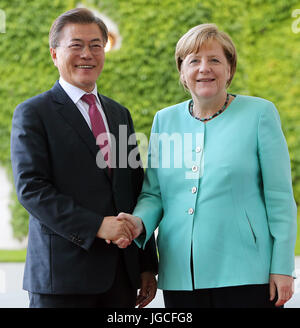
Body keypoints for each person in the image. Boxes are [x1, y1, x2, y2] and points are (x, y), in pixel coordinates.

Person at [114, 23, 297, 308]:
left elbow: (280, 199)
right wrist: (138, 223)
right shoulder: (166, 120)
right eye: (194, 61)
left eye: (214, 60)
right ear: (183, 72)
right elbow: (155, 194)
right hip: (181, 274)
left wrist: (283, 267)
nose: (204, 68)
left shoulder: (259, 114)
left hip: (247, 272)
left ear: (229, 69)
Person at [10, 8, 158, 308]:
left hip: (121, 277)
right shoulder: (34, 113)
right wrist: (96, 226)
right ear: (54, 54)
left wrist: (146, 265)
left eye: (96, 45)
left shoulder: (119, 114)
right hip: (63, 278)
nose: (87, 54)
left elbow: (133, 188)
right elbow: (32, 189)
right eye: (75, 45)